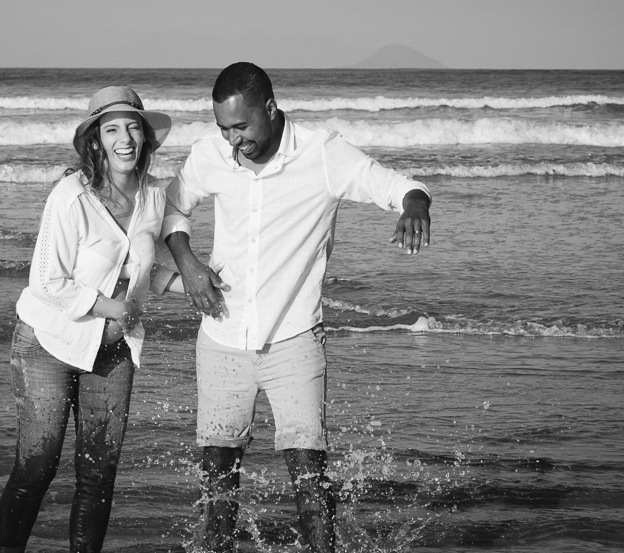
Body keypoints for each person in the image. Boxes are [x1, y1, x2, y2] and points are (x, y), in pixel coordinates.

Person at [162, 62, 432, 553]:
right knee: (218, 485)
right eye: (224, 130)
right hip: (221, 340)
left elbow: (398, 186)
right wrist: (188, 261)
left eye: (241, 127)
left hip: (295, 340)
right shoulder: (209, 155)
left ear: (270, 107)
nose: (233, 141)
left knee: (310, 480)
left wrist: (415, 206)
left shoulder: (322, 153)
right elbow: (174, 208)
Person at [0, 86, 184, 553]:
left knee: (99, 473)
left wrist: (197, 285)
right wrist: (109, 306)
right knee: (38, 465)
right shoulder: (71, 197)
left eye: (133, 127)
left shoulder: (153, 200)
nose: (125, 139)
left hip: (112, 350)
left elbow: (143, 270)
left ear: (146, 138)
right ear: (95, 140)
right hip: (48, 343)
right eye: (112, 129)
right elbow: (46, 281)